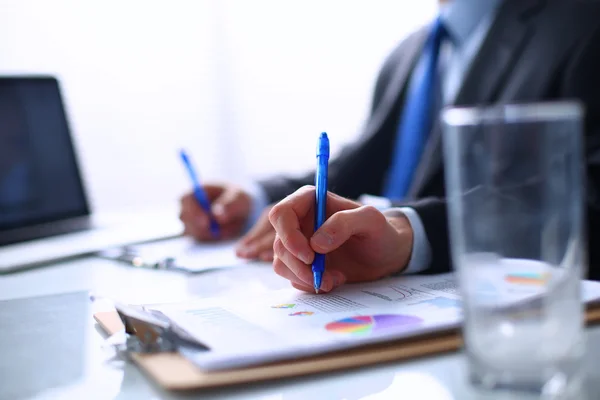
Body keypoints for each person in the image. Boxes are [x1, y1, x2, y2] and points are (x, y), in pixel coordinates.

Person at [180, 0, 600, 268]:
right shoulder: (409, 53)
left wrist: (410, 232)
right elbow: (361, 168)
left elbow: (590, 196)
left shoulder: (583, 23)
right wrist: (255, 200)